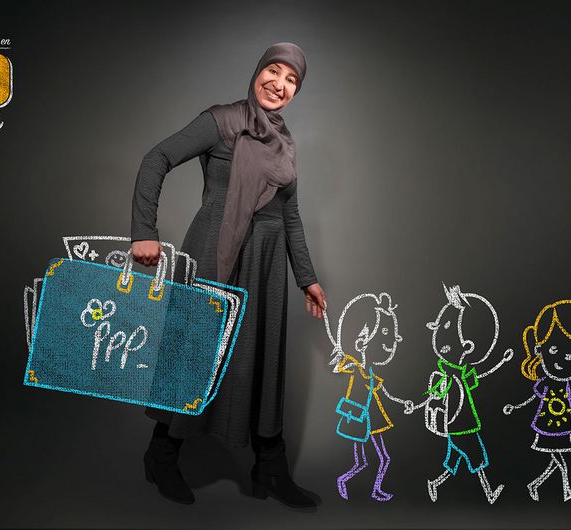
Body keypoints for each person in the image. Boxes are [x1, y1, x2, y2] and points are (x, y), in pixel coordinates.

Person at [130, 42, 326, 508]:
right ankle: (161, 456)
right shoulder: (221, 121)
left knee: (263, 358)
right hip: (214, 251)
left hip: (267, 262)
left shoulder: (284, 142)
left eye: (292, 80)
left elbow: (290, 214)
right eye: (274, 71)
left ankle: (269, 467)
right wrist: (143, 232)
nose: (279, 84)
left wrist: (307, 277)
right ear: (258, 71)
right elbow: (157, 158)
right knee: (194, 353)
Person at [404, 284, 512, 504]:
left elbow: (481, 374)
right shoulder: (446, 374)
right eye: (440, 328)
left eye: (446, 328)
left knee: (454, 460)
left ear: (468, 346)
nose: (439, 337)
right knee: (477, 457)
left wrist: (501, 362)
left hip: (460, 423)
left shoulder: (460, 373)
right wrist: (416, 405)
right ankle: (489, 492)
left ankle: (435, 483)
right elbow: (432, 394)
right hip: (459, 424)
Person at [503, 299, 571, 502]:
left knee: (555, 459)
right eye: (553, 350)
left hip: (562, 426)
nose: (563, 360)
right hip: (548, 426)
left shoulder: (568, 386)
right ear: (540, 350)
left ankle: (536, 485)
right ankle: (565, 488)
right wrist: (515, 406)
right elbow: (532, 397)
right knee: (558, 458)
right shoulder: (546, 383)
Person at [328, 292, 403, 501]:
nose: (391, 342)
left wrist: (402, 402)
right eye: (384, 332)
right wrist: (350, 356)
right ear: (361, 341)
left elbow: (382, 390)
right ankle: (343, 480)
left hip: (373, 416)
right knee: (362, 461)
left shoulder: (367, 372)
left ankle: (376, 489)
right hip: (359, 418)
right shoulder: (354, 367)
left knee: (384, 458)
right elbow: (341, 367)